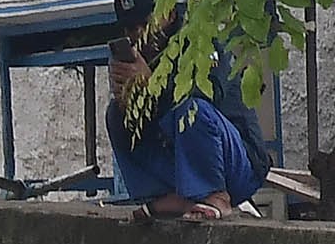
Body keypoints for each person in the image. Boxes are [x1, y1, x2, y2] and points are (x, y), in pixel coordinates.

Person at [108, 45, 266, 220]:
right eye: (130, 28)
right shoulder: (143, 53)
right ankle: (164, 195)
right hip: (180, 170)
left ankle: (216, 196)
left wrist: (152, 83)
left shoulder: (203, 42)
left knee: (191, 110)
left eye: (144, 24)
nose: (139, 32)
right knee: (117, 114)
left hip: (239, 165)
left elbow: (209, 94)